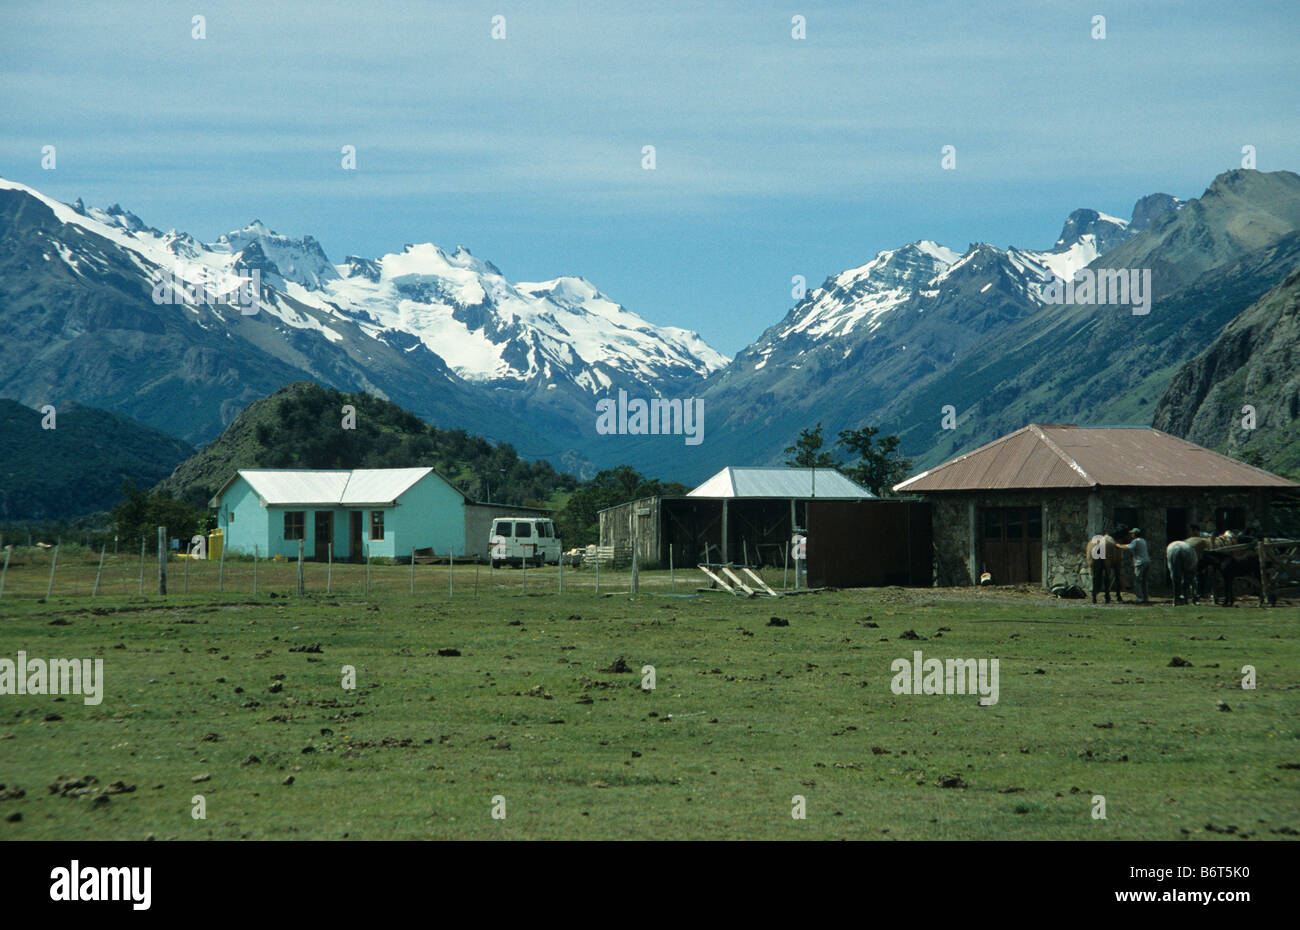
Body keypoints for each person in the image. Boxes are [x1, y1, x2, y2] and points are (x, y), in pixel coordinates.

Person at [1120, 528, 1151, 603]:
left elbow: (1127, 547)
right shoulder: (1143, 540)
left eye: (1132, 534)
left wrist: (1117, 545)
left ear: (1134, 534)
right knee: (1144, 581)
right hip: (1147, 561)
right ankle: (1146, 597)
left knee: (1137, 581)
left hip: (1140, 563)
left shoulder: (1135, 541)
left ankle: (1139, 598)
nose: (1131, 535)